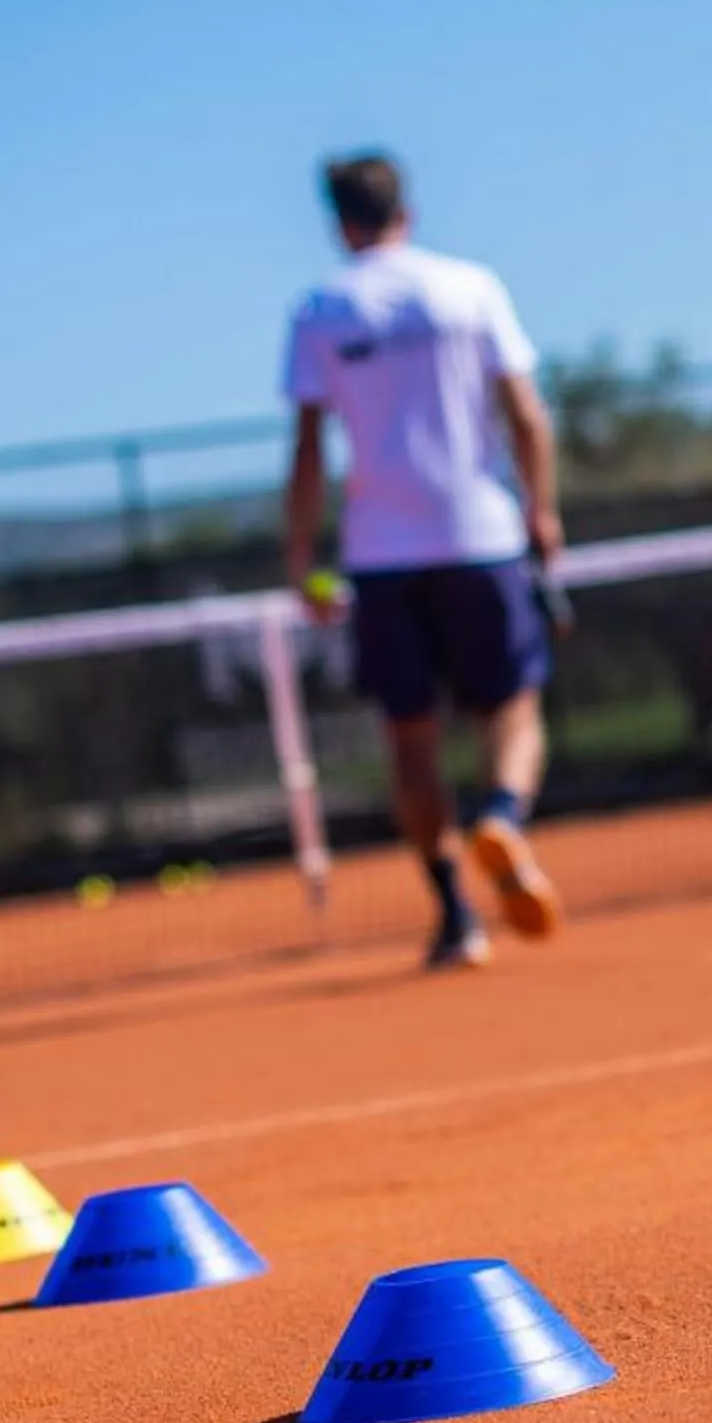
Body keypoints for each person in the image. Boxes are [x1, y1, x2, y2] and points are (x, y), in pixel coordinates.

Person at [281, 152, 567, 969]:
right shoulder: (469, 288)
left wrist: (303, 559)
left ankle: (454, 916)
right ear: (406, 204)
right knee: (513, 708)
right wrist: (541, 510)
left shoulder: (319, 309)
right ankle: (503, 817)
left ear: (338, 220)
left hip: (379, 554)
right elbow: (527, 416)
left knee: (412, 741)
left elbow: (306, 450)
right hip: (480, 535)